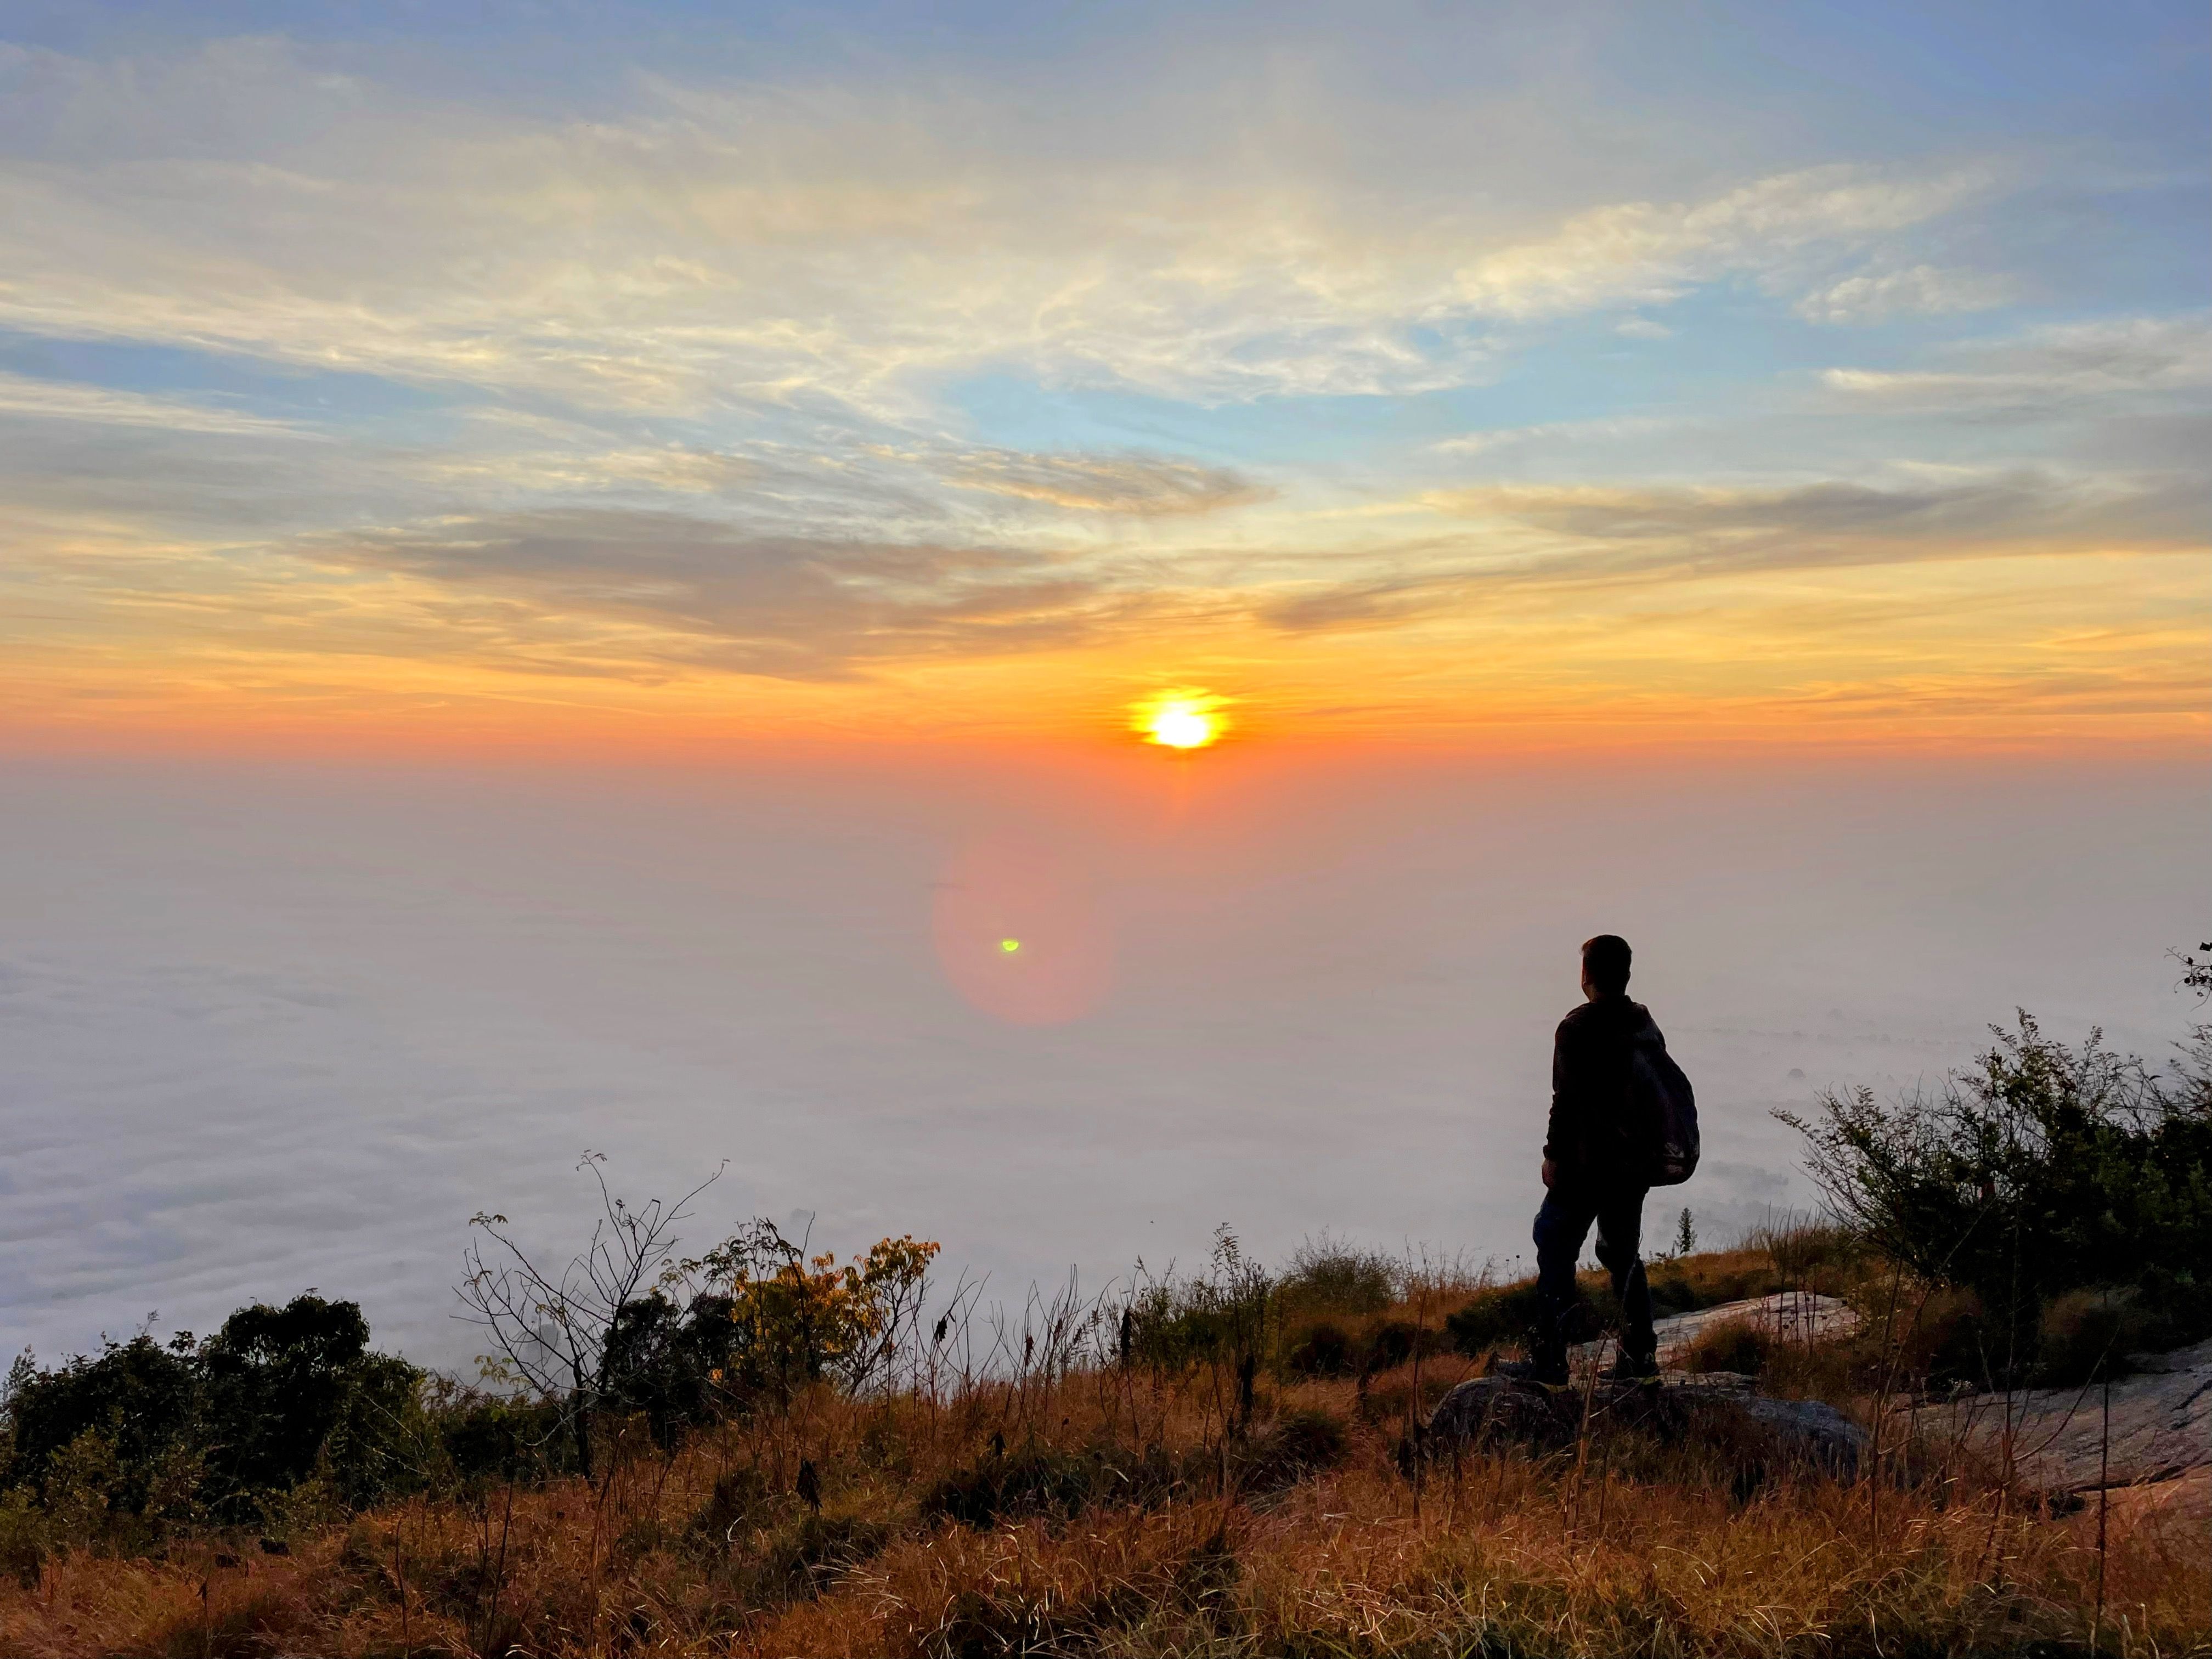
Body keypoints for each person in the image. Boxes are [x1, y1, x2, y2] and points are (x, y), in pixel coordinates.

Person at [1498, 934, 1662, 1387]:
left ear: (1586, 975)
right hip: (1632, 1167)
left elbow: (1565, 1102)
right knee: (1622, 1254)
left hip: (1585, 1165)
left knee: (1554, 1244)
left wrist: (1552, 1157)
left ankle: (1550, 1364)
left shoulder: (1577, 1028)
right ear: (1626, 974)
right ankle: (1641, 1359)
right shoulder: (1643, 1023)